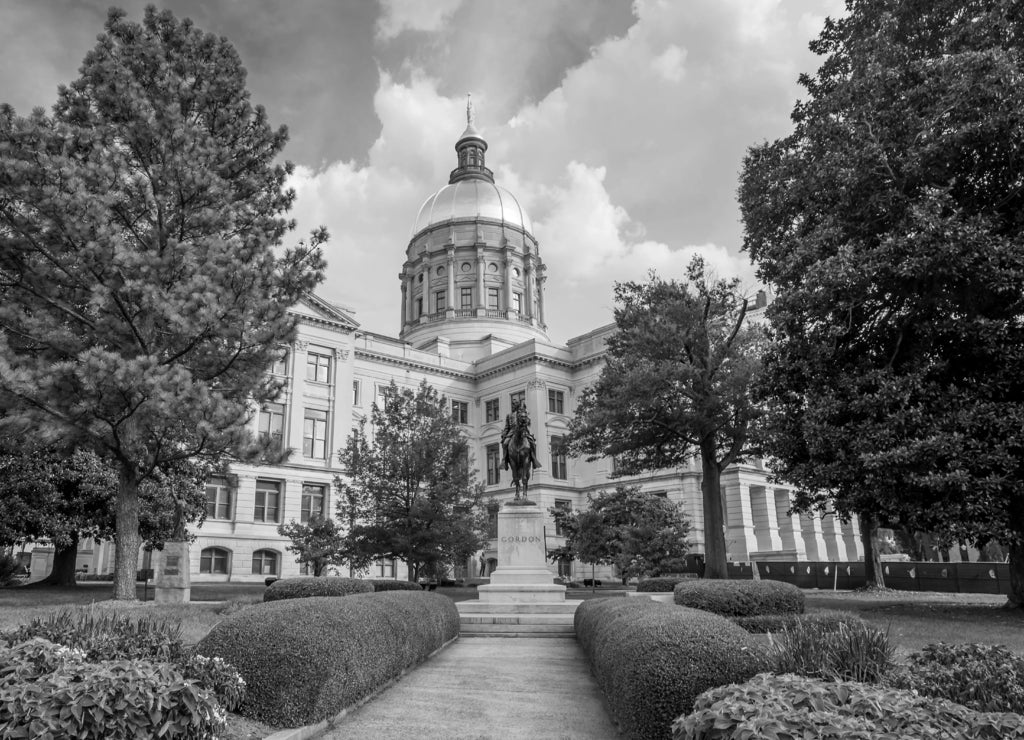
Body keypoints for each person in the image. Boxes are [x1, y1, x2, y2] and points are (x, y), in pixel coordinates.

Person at [501, 398, 541, 471]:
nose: (512, 405)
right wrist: (504, 433)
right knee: (505, 443)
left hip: (523, 430)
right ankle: (504, 461)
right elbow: (507, 427)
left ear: (517, 405)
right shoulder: (509, 415)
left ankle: (534, 459)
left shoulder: (523, 413)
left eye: (514, 404)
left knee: (532, 442)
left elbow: (528, 422)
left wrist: (525, 424)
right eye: (512, 404)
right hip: (512, 432)